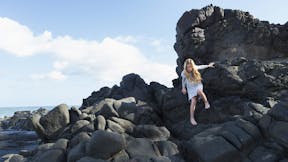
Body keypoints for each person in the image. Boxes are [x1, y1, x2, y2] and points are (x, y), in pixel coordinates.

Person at [181, 58, 215, 125]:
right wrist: (183, 88)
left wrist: (208, 65)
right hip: (190, 88)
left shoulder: (195, 68)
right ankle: (192, 118)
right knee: (193, 100)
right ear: (186, 67)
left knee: (199, 91)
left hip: (197, 85)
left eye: (191, 66)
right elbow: (183, 81)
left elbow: (201, 66)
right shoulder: (184, 73)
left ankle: (206, 102)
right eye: (188, 67)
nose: (189, 68)